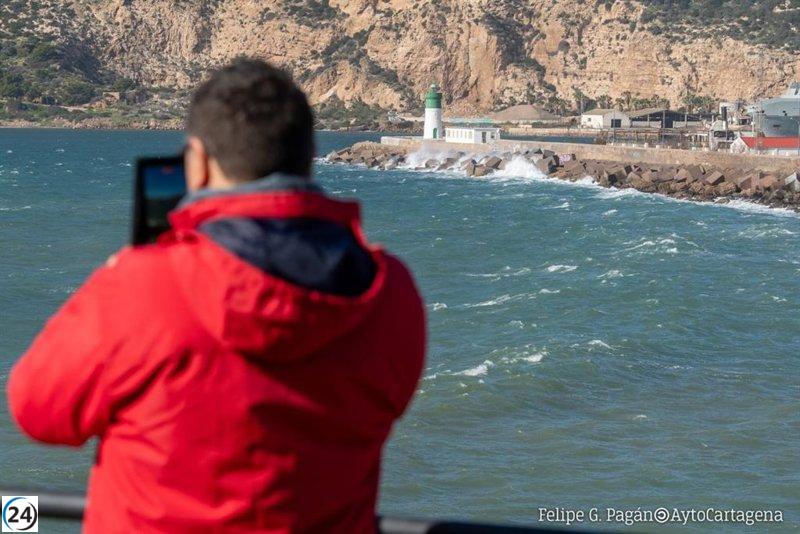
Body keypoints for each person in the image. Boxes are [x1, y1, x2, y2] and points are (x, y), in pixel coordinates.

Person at [7, 58, 426, 533]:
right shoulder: (390, 292)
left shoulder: (141, 286)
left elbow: (37, 410)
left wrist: (115, 279)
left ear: (198, 163)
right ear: (308, 159)